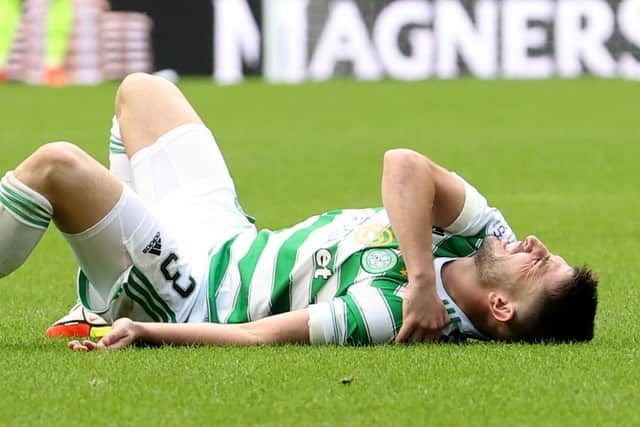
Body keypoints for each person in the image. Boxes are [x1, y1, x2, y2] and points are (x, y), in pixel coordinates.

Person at [0, 73, 598, 352]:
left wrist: (146, 331)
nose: (536, 243)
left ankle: (120, 300)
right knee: (141, 90)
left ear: (501, 307)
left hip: (192, 288)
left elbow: (258, 336)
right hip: (229, 237)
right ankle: (98, 297)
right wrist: (422, 275)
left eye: (543, 267)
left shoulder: (389, 315)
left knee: (57, 167)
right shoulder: (489, 242)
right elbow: (403, 163)